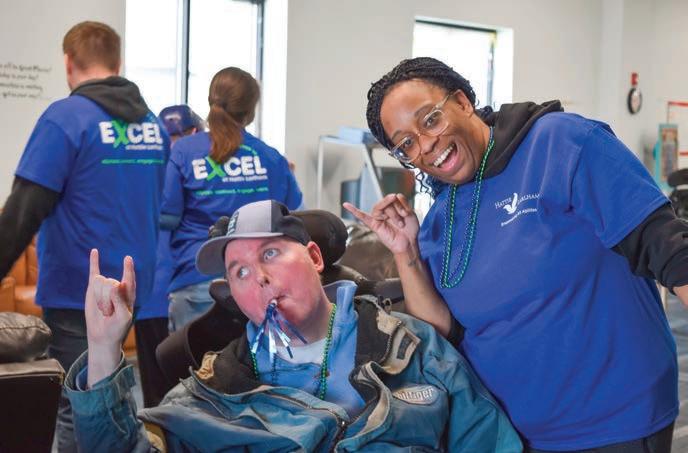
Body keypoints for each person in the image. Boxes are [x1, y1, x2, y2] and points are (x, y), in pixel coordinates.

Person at [344, 56, 688, 452]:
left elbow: (668, 248)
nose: (425, 145)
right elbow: (443, 330)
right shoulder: (442, 216)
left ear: (462, 101)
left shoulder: (559, 143)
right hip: (508, 432)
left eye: (430, 120)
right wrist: (406, 250)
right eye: (406, 144)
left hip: (612, 424)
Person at [64, 199, 521, 452]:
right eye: (240, 271)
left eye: (270, 253)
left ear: (315, 258)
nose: (259, 277)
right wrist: (103, 347)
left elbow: (490, 442)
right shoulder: (215, 391)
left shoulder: (412, 347)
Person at [0, 21, 169, 451]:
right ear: (117, 63)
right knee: (110, 396)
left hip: (79, 288)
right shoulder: (153, 126)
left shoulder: (66, 118)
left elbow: (24, 209)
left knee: (77, 405)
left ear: (68, 62)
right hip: (135, 285)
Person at [162, 67, 303, 333]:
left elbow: (167, 216)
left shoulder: (183, 151)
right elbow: (294, 215)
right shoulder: (271, 158)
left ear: (211, 101)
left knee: (194, 360)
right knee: (254, 359)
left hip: (196, 279)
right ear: (250, 112)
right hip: (257, 282)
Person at [132, 104, 206, 408]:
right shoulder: (195, 170)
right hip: (162, 293)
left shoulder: (149, 171)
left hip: (176, 290)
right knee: (186, 394)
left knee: (176, 394)